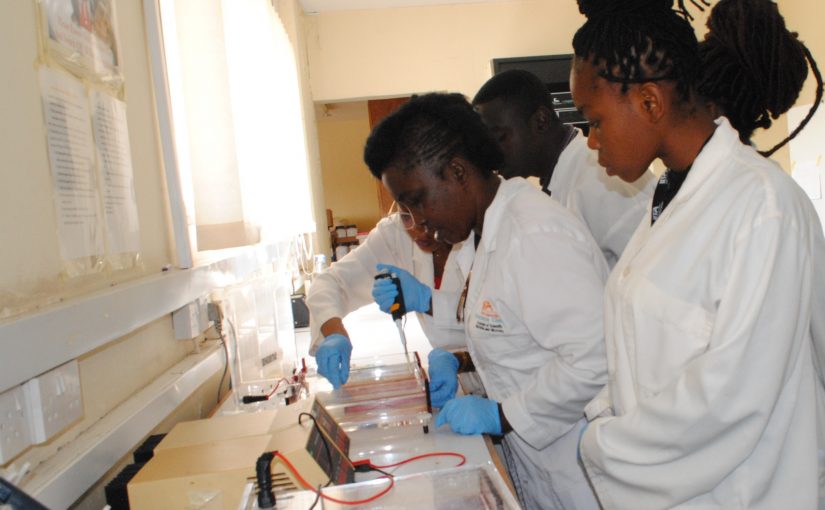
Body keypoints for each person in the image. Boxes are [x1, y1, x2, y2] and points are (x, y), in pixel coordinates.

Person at [569, 0, 825, 508]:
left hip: (749, 493)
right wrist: (604, 413)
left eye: (595, 121)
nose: (591, 141)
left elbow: (733, 395)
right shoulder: (671, 197)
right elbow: (641, 350)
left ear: (649, 102)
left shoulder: (763, 207)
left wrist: (606, 445)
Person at [364, 92, 609, 510]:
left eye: (417, 200)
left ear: (458, 172)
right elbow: (512, 334)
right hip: (541, 467)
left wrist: (504, 415)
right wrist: (462, 364)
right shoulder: (478, 236)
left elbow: (595, 358)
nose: (418, 222)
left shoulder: (533, 233)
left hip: (580, 473)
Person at [473, 70, 656, 268]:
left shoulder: (603, 180)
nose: (491, 154)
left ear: (540, 122)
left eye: (500, 138)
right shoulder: (561, 182)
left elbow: (651, 269)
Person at [308, 207, 465, 388]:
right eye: (406, 215)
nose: (418, 228)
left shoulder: (480, 231)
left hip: (490, 374)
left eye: (425, 210)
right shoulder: (396, 233)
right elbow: (330, 282)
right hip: (456, 377)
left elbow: (489, 320)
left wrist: (428, 301)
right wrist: (335, 333)